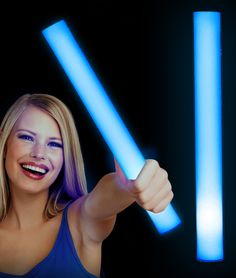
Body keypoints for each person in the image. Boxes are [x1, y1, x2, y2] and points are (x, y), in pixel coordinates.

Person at [0, 93, 174, 278]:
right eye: (27, 138)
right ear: (4, 144)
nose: (39, 153)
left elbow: (106, 196)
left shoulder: (80, 222)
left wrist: (129, 186)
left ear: (65, 158)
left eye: (54, 144)